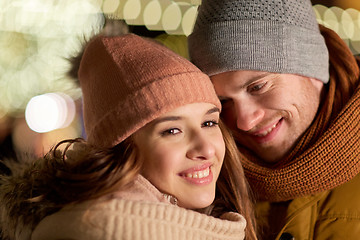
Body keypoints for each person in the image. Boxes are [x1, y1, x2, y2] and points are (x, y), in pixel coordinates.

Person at [0, 33, 257, 239]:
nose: (206, 148)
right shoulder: (106, 231)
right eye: (172, 130)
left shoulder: (216, 221)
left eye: (209, 122)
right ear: (121, 147)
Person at [188, 0, 360, 239]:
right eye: (224, 102)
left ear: (312, 67)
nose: (244, 122)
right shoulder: (206, 184)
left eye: (257, 86)